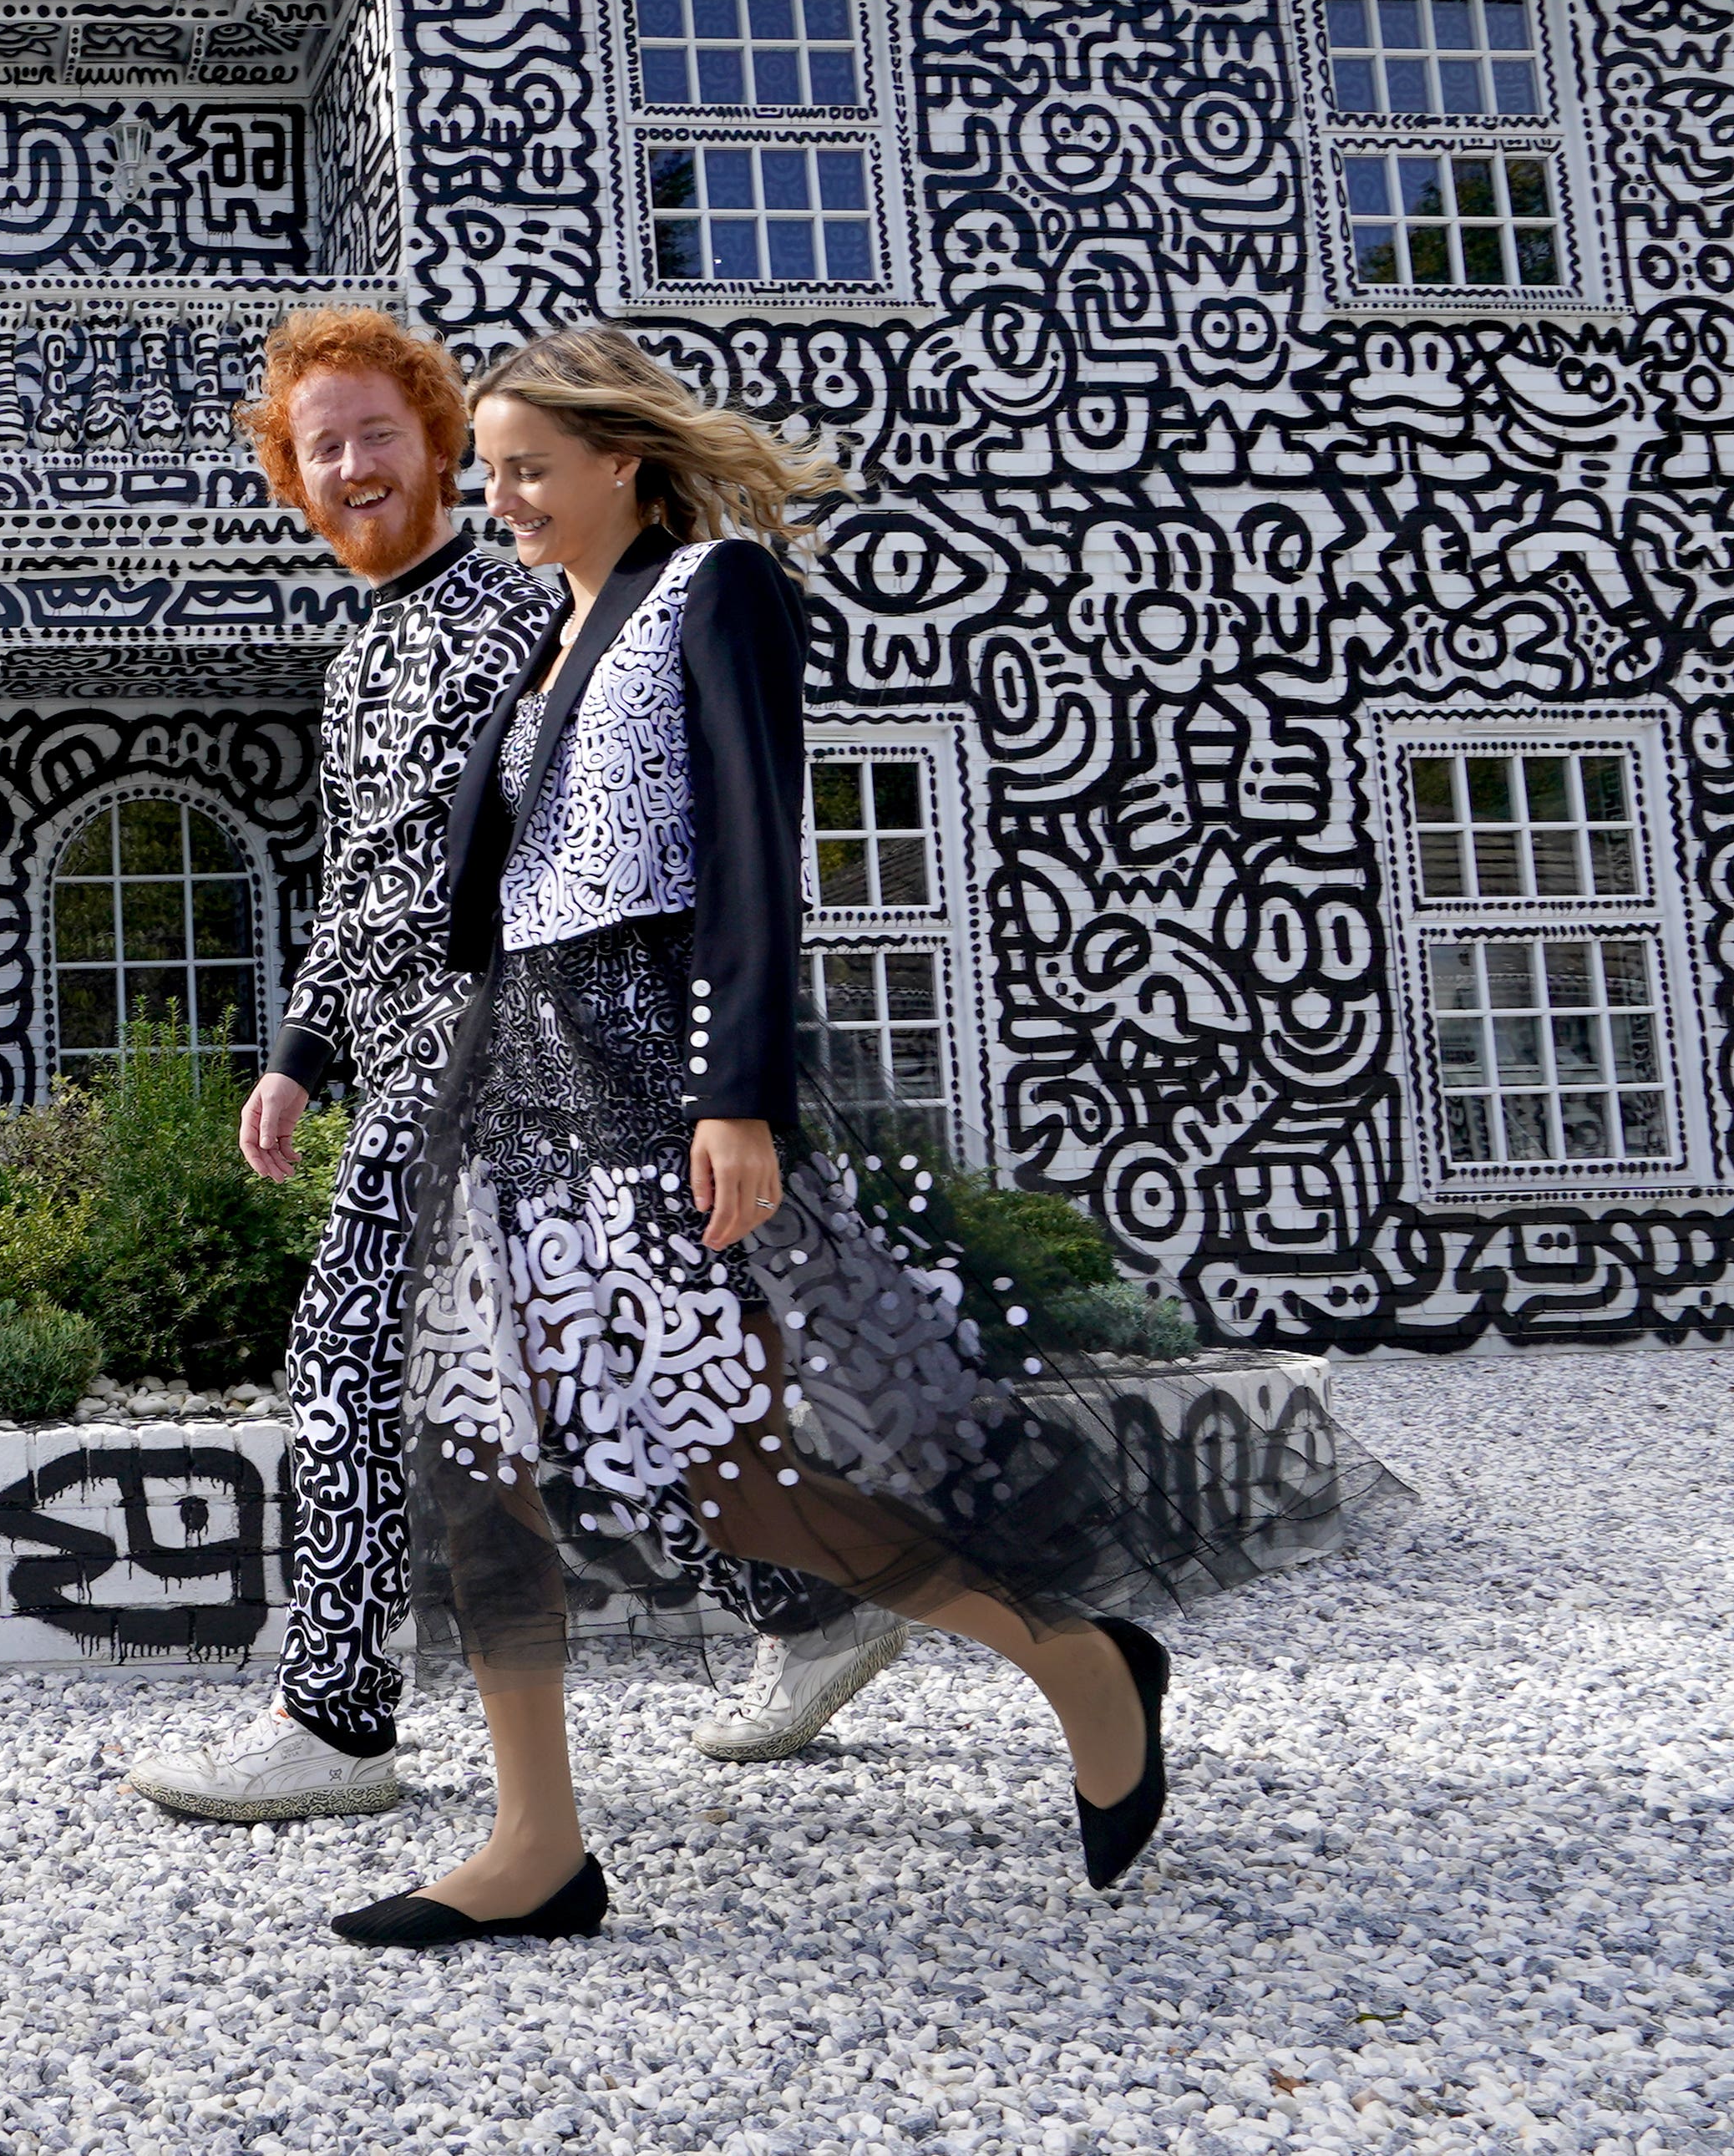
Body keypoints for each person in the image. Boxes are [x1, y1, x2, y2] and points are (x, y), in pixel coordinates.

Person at [329, 325, 1202, 1950]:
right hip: (507, 1065)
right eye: (488, 472)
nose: (498, 497)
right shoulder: (541, 637)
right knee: (472, 1455)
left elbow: (746, 854)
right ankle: (535, 1845)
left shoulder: (705, 592)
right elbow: (494, 884)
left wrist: (740, 1097)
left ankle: (1076, 1662)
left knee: (737, 1476)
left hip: (648, 1065)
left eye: (526, 468)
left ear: (620, 464)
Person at [128, 310, 898, 1831]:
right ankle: (813, 1609)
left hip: (516, 1049)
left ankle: (336, 1725)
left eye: (376, 434)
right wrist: (298, 1048)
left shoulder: (517, 606)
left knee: (350, 1366)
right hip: (423, 1058)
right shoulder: (358, 660)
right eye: (317, 445)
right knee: (628, 1363)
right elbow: (361, 871)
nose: (350, 466)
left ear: (434, 447)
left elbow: (564, 847)